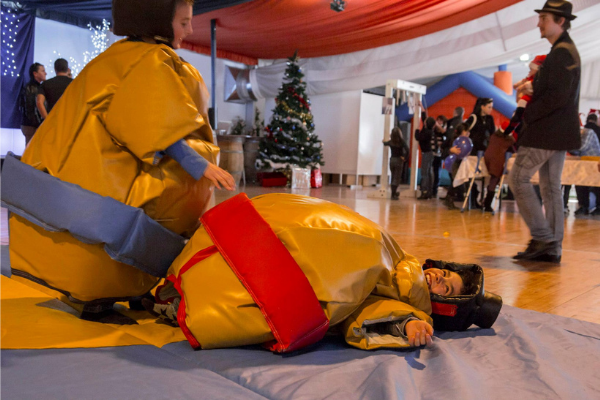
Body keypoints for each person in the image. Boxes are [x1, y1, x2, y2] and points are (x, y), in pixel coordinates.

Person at [4, 0, 235, 324]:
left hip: (79, 173)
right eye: (183, 22)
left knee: (113, 229)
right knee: (148, 206)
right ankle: (117, 290)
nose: (190, 30)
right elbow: (155, 125)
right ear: (156, 20)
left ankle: (119, 289)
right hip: (104, 179)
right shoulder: (149, 60)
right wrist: (203, 167)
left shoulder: (116, 57)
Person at [142, 193, 501, 351]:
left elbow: (362, 315)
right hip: (256, 233)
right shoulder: (396, 254)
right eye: (445, 272)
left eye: (448, 288)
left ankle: (183, 299)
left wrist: (408, 326)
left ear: (442, 306)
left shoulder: (406, 302)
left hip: (260, 273)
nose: (439, 276)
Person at [509, 0, 580, 264]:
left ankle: (543, 238)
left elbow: (557, 96)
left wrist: (530, 112)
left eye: (544, 18)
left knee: (518, 179)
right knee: (551, 189)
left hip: (547, 131)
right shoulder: (562, 51)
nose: (539, 22)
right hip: (558, 132)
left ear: (560, 21)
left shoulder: (562, 54)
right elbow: (554, 90)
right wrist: (533, 88)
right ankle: (552, 248)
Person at [504, 55, 547, 140]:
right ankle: (515, 121)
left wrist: (522, 87)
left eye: (532, 69)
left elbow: (529, 85)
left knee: (522, 103)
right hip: (527, 105)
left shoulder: (539, 80)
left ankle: (516, 120)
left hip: (529, 103)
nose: (530, 71)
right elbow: (524, 81)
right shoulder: (532, 78)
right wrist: (518, 85)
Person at [464, 98, 495, 208]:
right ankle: (472, 198)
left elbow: (493, 134)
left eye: (491, 107)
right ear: (482, 106)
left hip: (486, 151)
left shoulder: (490, 119)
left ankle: (483, 199)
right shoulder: (473, 118)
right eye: (489, 107)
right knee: (471, 175)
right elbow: (463, 130)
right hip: (473, 151)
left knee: (486, 176)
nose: (491, 109)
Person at [483, 122, 515, 212]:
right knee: (494, 180)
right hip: (497, 160)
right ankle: (487, 205)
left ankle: (486, 201)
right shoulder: (509, 140)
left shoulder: (493, 136)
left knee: (493, 179)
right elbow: (514, 151)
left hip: (487, 158)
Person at [569, 127, 600, 215]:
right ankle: (583, 206)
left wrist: (566, 147)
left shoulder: (588, 132)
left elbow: (582, 147)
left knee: (597, 185)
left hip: (594, 162)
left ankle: (598, 207)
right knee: (580, 184)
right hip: (584, 163)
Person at [442, 123, 470, 209]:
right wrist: (451, 150)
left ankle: (449, 199)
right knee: (455, 182)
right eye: (466, 131)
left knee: (456, 182)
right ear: (462, 132)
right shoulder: (455, 140)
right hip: (454, 164)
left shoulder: (466, 141)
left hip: (460, 164)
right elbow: (445, 148)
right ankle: (449, 199)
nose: (468, 133)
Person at [19, 63, 46, 145]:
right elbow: (30, 109)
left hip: (32, 125)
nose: (45, 73)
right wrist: (39, 124)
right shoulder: (30, 88)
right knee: (31, 152)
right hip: (31, 126)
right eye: (43, 71)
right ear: (35, 73)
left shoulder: (37, 87)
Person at [383, 127, 409, 200]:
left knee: (393, 176)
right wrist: (404, 157)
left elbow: (385, 143)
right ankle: (393, 194)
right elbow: (407, 150)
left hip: (392, 160)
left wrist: (383, 141)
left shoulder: (391, 142)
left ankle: (393, 193)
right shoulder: (402, 142)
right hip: (399, 160)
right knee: (396, 178)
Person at [416, 116, 437, 199]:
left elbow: (418, 137)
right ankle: (429, 191)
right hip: (429, 153)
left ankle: (424, 191)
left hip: (427, 154)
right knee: (428, 172)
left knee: (425, 173)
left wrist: (417, 130)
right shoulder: (429, 131)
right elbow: (424, 118)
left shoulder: (427, 132)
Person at [432, 115, 448, 198]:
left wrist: (438, 125)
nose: (439, 122)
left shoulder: (444, 130)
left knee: (437, 172)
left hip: (439, 155)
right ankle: (431, 189)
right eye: (438, 120)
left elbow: (444, 132)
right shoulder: (433, 130)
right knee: (431, 172)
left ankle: (435, 190)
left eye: (441, 121)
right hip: (432, 154)